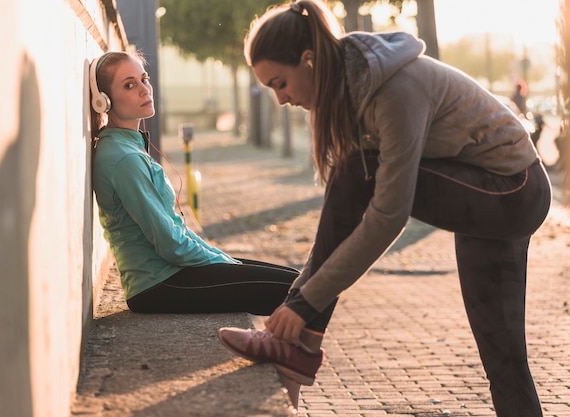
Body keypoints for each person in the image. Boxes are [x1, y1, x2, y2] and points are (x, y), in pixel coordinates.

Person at [217, 1, 552, 415]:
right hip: (480, 195)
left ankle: (300, 343)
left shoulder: (396, 88)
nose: (281, 99)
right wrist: (301, 300)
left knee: (356, 173)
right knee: (503, 360)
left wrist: (303, 303)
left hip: (512, 190)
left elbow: (388, 216)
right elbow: (339, 226)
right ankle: (299, 343)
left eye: (279, 83)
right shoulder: (352, 89)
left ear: (307, 61)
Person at [90, 51, 298, 315]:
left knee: (297, 279)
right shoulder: (124, 159)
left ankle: (288, 346)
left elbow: (176, 235)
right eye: (129, 85)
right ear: (104, 102)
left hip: (171, 274)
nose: (144, 90)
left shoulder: (124, 147)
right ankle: (293, 351)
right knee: (297, 289)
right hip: (159, 285)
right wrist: (224, 263)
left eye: (144, 79)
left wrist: (223, 260)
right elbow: (170, 245)